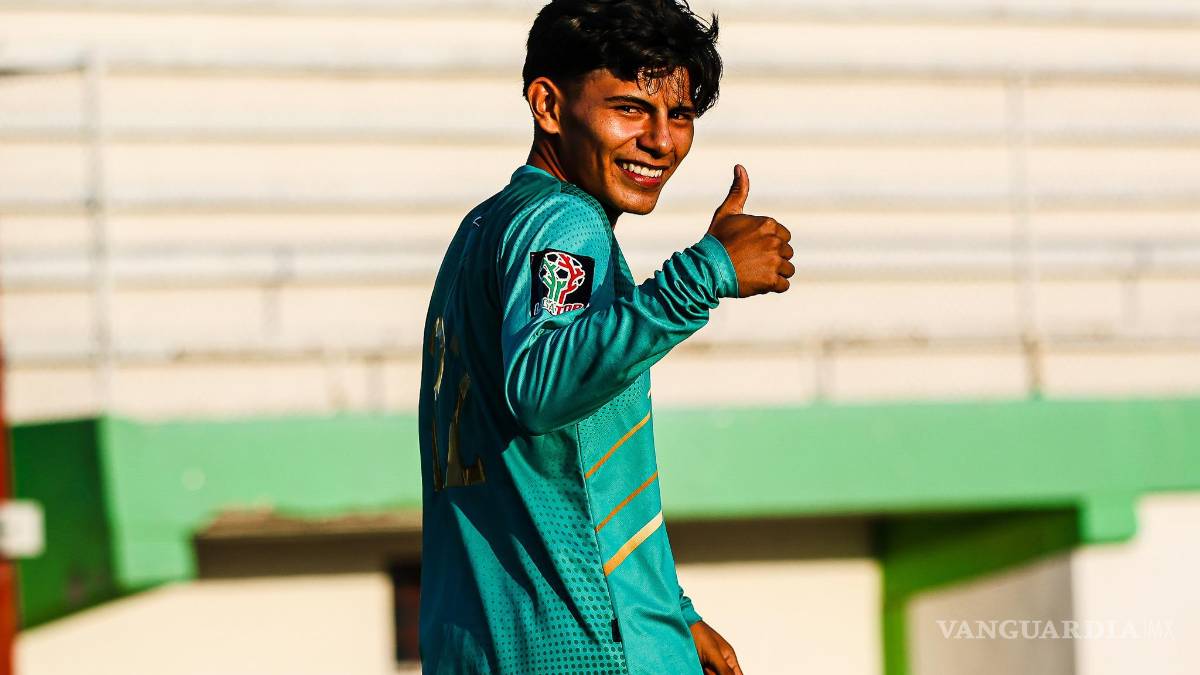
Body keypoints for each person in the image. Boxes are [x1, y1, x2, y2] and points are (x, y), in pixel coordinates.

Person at [417, 1, 793, 672]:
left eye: (679, 115)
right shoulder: (564, 222)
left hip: (483, 643)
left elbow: (563, 469)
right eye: (630, 109)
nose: (661, 141)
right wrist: (706, 272)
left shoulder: (487, 226)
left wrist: (672, 611)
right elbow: (542, 386)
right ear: (549, 105)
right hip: (579, 643)